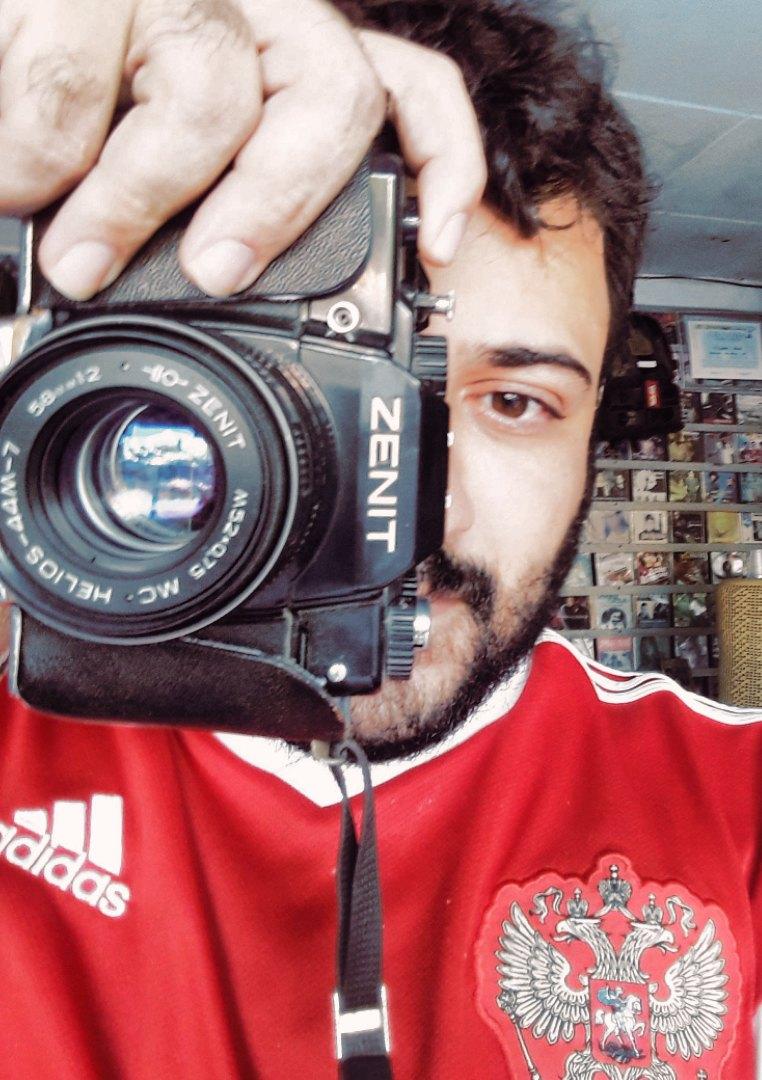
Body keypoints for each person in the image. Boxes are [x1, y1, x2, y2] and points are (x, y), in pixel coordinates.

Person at [0, 1, 760, 1077]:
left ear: (595, 430)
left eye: (516, 402)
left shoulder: (733, 799)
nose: (415, 512)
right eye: (325, 389)